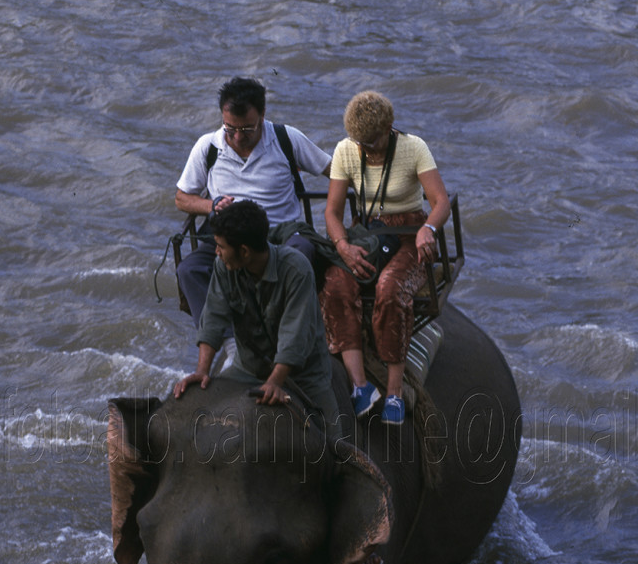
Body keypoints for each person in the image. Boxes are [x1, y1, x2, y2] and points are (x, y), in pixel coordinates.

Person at [319, 90, 452, 426]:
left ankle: (394, 390)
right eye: (359, 143)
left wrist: (429, 230)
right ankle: (361, 387)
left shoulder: (414, 148)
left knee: (390, 291)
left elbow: (440, 202)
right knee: (335, 285)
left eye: (372, 142)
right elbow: (333, 212)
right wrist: (343, 247)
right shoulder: (346, 150)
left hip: (408, 233)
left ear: (390, 127)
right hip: (367, 233)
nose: (365, 149)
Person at [174, 76, 332, 322]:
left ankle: (284, 327)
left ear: (263, 114)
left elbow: (335, 172)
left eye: (247, 129)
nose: (238, 137)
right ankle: (224, 338)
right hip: (230, 239)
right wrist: (212, 206)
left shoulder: (285, 138)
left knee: (301, 251)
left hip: (279, 234)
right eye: (230, 128)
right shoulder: (208, 147)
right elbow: (182, 198)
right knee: (189, 270)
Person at [173, 200, 338, 430]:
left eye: (220, 246)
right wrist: (202, 371)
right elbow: (212, 317)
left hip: (305, 375)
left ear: (244, 251)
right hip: (249, 368)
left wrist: (275, 382)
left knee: (332, 441)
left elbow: (295, 333)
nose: (217, 252)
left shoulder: (296, 269)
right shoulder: (224, 267)